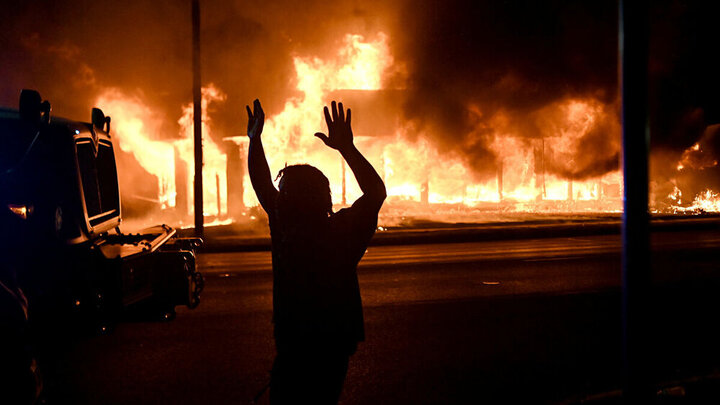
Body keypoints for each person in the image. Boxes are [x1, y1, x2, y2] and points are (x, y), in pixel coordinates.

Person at [246, 99, 386, 404]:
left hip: (297, 347)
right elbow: (376, 193)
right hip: (331, 346)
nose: (281, 198)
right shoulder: (342, 230)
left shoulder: (285, 227)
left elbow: (262, 185)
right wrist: (347, 148)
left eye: (286, 193)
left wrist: (255, 141)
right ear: (327, 198)